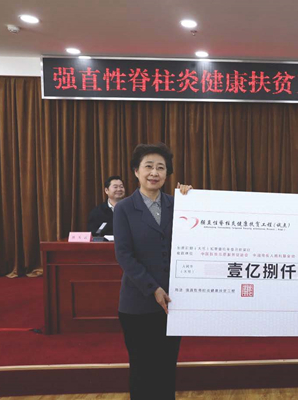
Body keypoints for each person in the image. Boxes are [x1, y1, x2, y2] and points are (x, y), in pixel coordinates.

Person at [113, 143, 191, 400]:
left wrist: (193, 201)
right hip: (138, 303)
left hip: (173, 303)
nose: (154, 173)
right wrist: (153, 288)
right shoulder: (124, 208)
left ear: (167, 174)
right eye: (148, 166)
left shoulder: (178, 205)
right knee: (142, 369)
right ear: (136, 171)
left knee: (166, 367)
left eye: (161, 167)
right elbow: (124, 255)